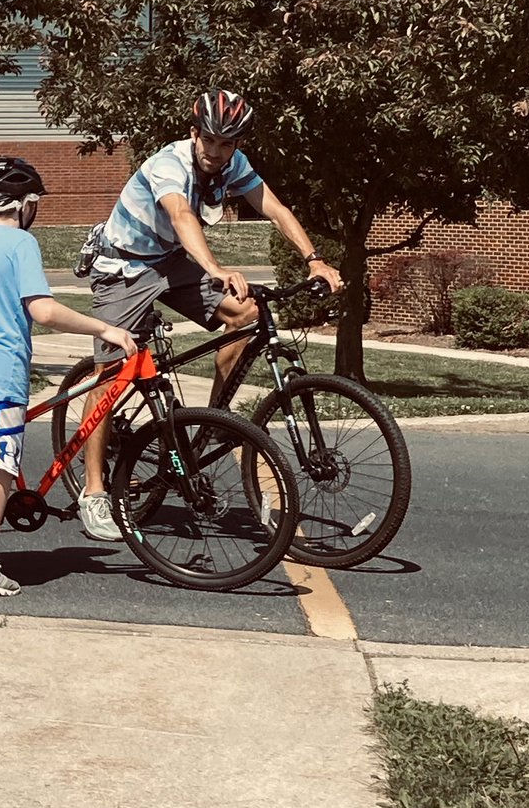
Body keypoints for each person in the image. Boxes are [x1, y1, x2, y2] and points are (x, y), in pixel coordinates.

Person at [77, 87, 345, 542]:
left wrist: (314, 258)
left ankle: (213, 422)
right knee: (112, 373)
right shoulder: (169, 164)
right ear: (194, 133)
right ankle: (95, 490)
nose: (218, 153)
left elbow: (274, 207)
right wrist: (215, 268)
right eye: (211, 141)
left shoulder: (232, 163)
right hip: (125, 266)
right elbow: (182, 216)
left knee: (247, 314)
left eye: (228, 144)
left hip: (172, 261)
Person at [0, 156, 136, 596]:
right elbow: (42, 311)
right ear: (22, 204)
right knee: (0, 467)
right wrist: (104, 327)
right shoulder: (20, 244)